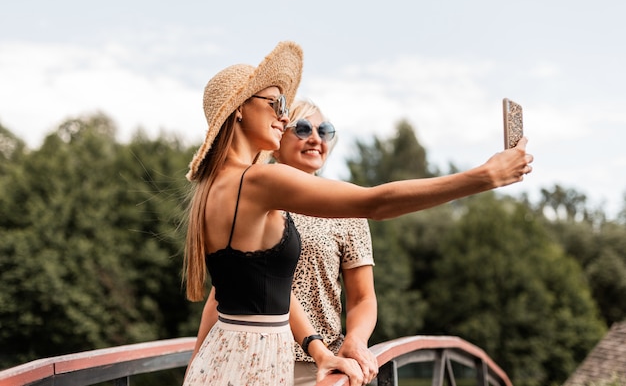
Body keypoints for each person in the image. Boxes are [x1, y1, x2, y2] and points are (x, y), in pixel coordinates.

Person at [181, 41, 533, 386]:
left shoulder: (212, 186)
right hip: (257, 366)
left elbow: (265, 289)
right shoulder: (260, 181)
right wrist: (484, 177)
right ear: (239, 108)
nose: (283, 116)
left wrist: (319, 352)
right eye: (275, 103)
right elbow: (375, 203)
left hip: (223, 359)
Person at [188, 99, 379, 386]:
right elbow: (223, 292)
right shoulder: (250, 196)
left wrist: (356, 340)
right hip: (253, 357)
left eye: (324, 131)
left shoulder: (347, 211)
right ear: (277, 140)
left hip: (317, 367)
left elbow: (363, 297)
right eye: (302, 129)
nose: (315, 138)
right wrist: (196, 361)